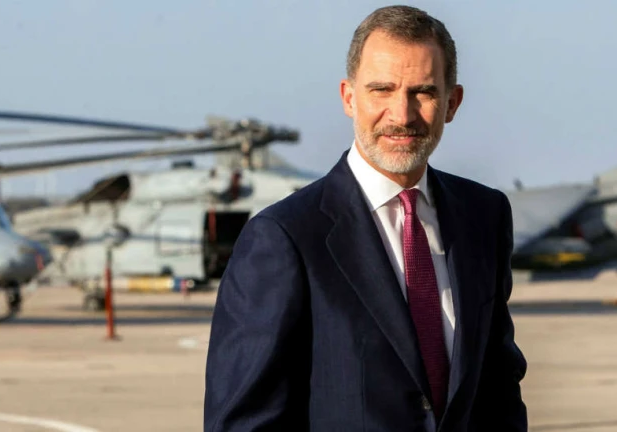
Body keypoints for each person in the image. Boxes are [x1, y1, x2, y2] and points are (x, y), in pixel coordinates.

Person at [204, 5, 527, 431]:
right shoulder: (285, 237)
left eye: (423, 92)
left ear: (452, 103)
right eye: (382, 90)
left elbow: (498, 391)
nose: (402, 114)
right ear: (349, 98)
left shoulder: (484, 216)